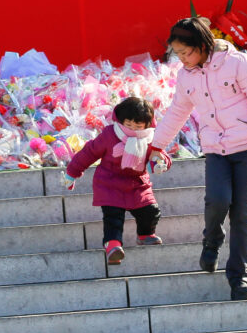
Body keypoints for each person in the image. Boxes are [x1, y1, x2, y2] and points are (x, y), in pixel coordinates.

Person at [149, 17, 247, 301]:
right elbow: (177, 111)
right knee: (218, 200)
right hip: (216, 150)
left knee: (243, 213)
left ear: (202, 45)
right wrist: (156, 145)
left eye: (186, 52)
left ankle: (239, 278)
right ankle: (212, 241)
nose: (182, 59)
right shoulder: (186, 76)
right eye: (178, 54)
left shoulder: (236, 62)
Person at [64, 96, 169, 265]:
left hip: (138, 184)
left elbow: (160, 155)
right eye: (128, 124)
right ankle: (113, 246)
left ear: (147, 125)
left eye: (138, 126)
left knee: (150, 211)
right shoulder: (110, 135)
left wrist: (160, 163)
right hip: (109, 183)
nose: (132, 129)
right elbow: (88, 153)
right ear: (120, 120)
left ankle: (145, 234)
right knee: (113, 217)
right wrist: (72, 173)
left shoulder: (150, 139)